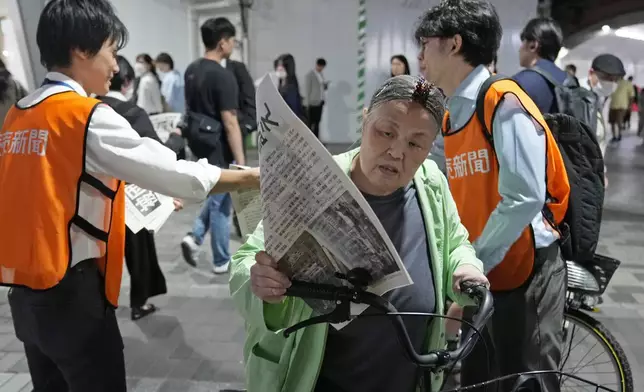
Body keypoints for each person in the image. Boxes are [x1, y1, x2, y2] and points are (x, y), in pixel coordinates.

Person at [0, 1, 260, 391]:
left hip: (24, 293)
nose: (116, 66)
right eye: (111, 51)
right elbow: (173, 172)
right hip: (74, 296)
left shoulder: (19, 114)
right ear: (81, 51)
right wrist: (249, 178)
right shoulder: (85, 115)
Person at [230, 75, 489, 392]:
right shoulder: (315, 182)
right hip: (321, 379)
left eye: (415, 143)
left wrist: (466, 267)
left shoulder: (431, 181)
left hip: (406, 377)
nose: (396, 152)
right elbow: (245, 260)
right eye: (386, 132)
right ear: (365, 120)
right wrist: (259, 280)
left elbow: (455, 243)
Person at [415, 1, 570, 391]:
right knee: (482, 379)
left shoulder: (502, 101)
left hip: (525, 272)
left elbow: (524, 197)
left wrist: (475, 265)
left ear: (453, 44)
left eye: (425, 42)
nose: (419, 54)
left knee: (524, 381)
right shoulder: (453, 115)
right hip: (486, 269)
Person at [99, 55, 185, 321]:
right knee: (139, 253)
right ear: (127, 83)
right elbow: (156, 159)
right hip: (131, 198)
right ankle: (139, 304)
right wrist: (175, 139)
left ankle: (101, 304)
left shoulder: (90, 109)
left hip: (97, 198)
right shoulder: (132, 113)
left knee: (100, 256)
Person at [180, 17, 246, 274]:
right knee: (222, 204)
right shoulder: (222, 75)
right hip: (219, 145)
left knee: (216, 195)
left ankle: (194, 236)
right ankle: (220, 260)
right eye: (232, 40)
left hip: (200, 144)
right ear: (222, 43)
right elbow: (230, 122)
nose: (233, 45)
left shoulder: (192, 69)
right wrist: (240, 163)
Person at [514, 17, 569, 114]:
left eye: (523, 41)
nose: (520, 48)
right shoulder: (570, 81)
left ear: (533, 45)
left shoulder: (520, 82)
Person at [304, 57, 329, 138]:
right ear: (318, 65)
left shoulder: (320, 75)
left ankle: (317, 140)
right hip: (312, 102)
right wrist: (307, 104)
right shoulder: (310, 75)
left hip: (320, 101)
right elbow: (307, 89)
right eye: (322, 67)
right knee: (310, 123)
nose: (322, 69)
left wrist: (325, 85)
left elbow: (320, 87)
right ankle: (309, 139)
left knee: (317, 122)